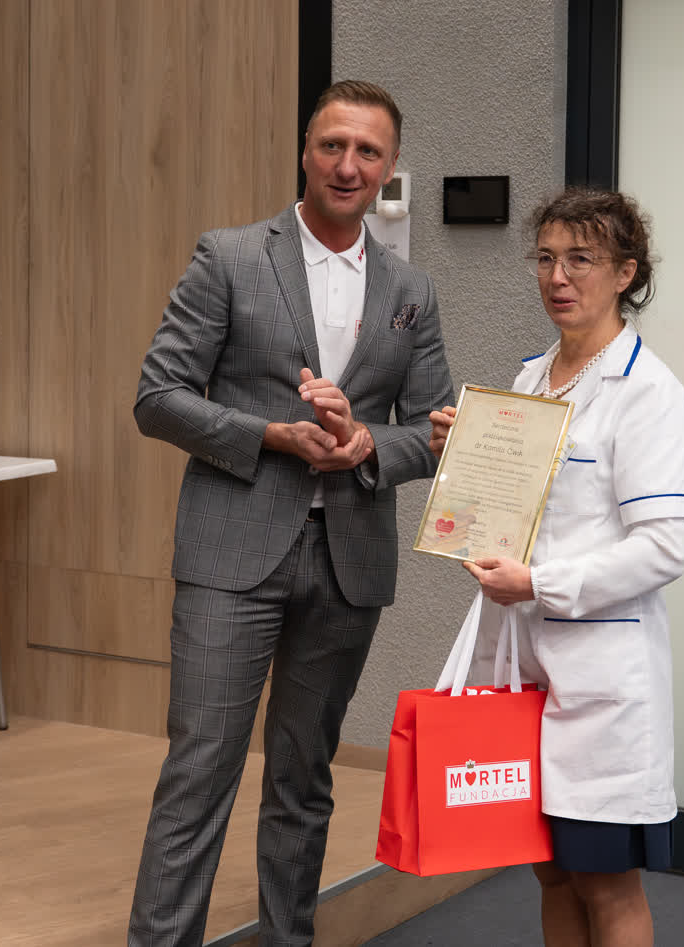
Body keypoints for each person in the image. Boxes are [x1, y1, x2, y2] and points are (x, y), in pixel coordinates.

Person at [130, 79, 454, 945]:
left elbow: (436, 430)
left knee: (304, 778)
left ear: (390, 167)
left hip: (348, 561)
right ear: (305, 150)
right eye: (332, 145)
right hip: (231, 553)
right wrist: (271, 434)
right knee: (200, 772)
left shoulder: (411, 288)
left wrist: (368, 445)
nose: (348, 165)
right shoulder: (230, 257)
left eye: (368, 152)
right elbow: (157, 398)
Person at [428, 188, 684, 947]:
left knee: (605, 882)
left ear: (625, 273)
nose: (558, 276)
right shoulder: (531, 379)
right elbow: (519, 516)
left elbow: (663, 547)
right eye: (546, 258)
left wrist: (539, 584)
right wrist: (466, 460)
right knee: (549, 870)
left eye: (581, 259)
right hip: (524, 671)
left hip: (601, 683)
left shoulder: (647, 392)